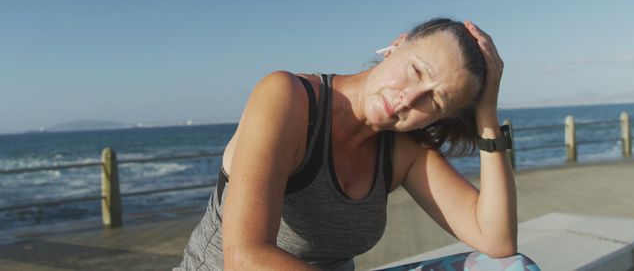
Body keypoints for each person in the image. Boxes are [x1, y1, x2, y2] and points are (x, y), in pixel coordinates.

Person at [174, 18, 540, 271]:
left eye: (435, 101)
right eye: (415, 71)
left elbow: (498, 241)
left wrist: (487, 113)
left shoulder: (402, 151)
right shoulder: (289, 99)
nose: (408, 99)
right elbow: (244, 258)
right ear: (398, 45)